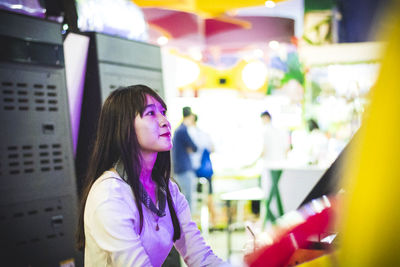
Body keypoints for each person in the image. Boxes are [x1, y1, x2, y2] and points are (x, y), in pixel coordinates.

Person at [76, 85, 228, 267]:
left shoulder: (168, 189)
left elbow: (201, 258)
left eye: (163, 112)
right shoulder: (109, 195)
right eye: (150, 113)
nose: (165, 121)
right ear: (124, 127)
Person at [259, 110, 290, 225]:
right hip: (281, 164)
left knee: (271, 192)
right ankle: (278, 219)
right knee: (275, 191)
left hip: (269, 165)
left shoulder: (266, 131)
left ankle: (274, 220)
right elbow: (287, 149)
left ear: (265, 118)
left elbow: (264, 149)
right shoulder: (281, 131)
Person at [188, 114, 217, 227]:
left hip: (197, 171)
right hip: (207, 170)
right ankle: (213, 222)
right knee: (209, 196)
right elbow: (212, 148)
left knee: (196, 198)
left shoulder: (191, 134)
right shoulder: (205, 135)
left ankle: (200, 223)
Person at [172, 107, 198, 211]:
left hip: (179, 168)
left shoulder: (178, 130)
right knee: (187, 200)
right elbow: (194, 147)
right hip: (184, 169)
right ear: (191, 116)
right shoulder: (183, 130)